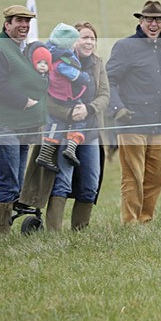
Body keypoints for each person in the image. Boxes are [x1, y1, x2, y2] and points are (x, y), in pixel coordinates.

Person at [21, 21, 110, 231]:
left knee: (90, 183)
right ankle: (54, 232)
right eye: (84, 37)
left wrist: (89, 108)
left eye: (92, 38)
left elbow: (105, 95)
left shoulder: (98, 64)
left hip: (90, 132)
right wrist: (69, 113)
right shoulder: (57, 62)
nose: (89, 42)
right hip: (61, 131)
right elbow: (47, 98)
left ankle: (80, 230)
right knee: (62, 181)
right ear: (72, 42)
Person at [0, 5, 47, 243]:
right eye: (19, 20)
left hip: (21, 130)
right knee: (8, 186)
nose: (24, 25)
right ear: (6, 23)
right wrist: (26, 102)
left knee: (13, 187)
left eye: (27, 22)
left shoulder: (20, 49)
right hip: (0, 128)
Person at [106, 0, 161, 224]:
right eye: (149, 19)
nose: (154, 24)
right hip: (132, 122)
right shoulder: (125, 47)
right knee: (134, 175)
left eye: (158, 20)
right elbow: (109, 80)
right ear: (140, 21)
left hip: (158, 124)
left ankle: (146, 219)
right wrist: (117, 109)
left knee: (155, 177)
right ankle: (131, 221)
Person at [34, 23, 91, 172]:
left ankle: (45, 155)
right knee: (79, 121)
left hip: (55, 96)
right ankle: (71, 148)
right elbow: (75, 76)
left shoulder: (49, 55)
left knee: (53, 125)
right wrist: (85, 77)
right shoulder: (63, 61)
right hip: (68, 97)